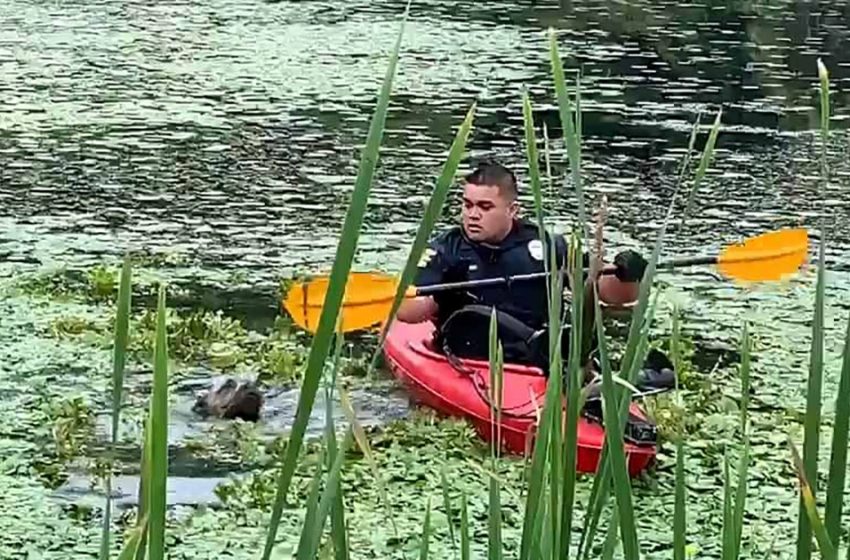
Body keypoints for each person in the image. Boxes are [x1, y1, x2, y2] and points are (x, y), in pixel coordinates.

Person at [396, 161, 648, 371]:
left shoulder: (547, 245)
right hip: (472, 362)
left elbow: (613, 295)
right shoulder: (445, 249)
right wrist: (442, 290)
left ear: (512, 210)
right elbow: (405, 311)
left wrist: (628, 276)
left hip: (539, 361)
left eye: (485, 207)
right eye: (467, 204)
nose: (473, 215)